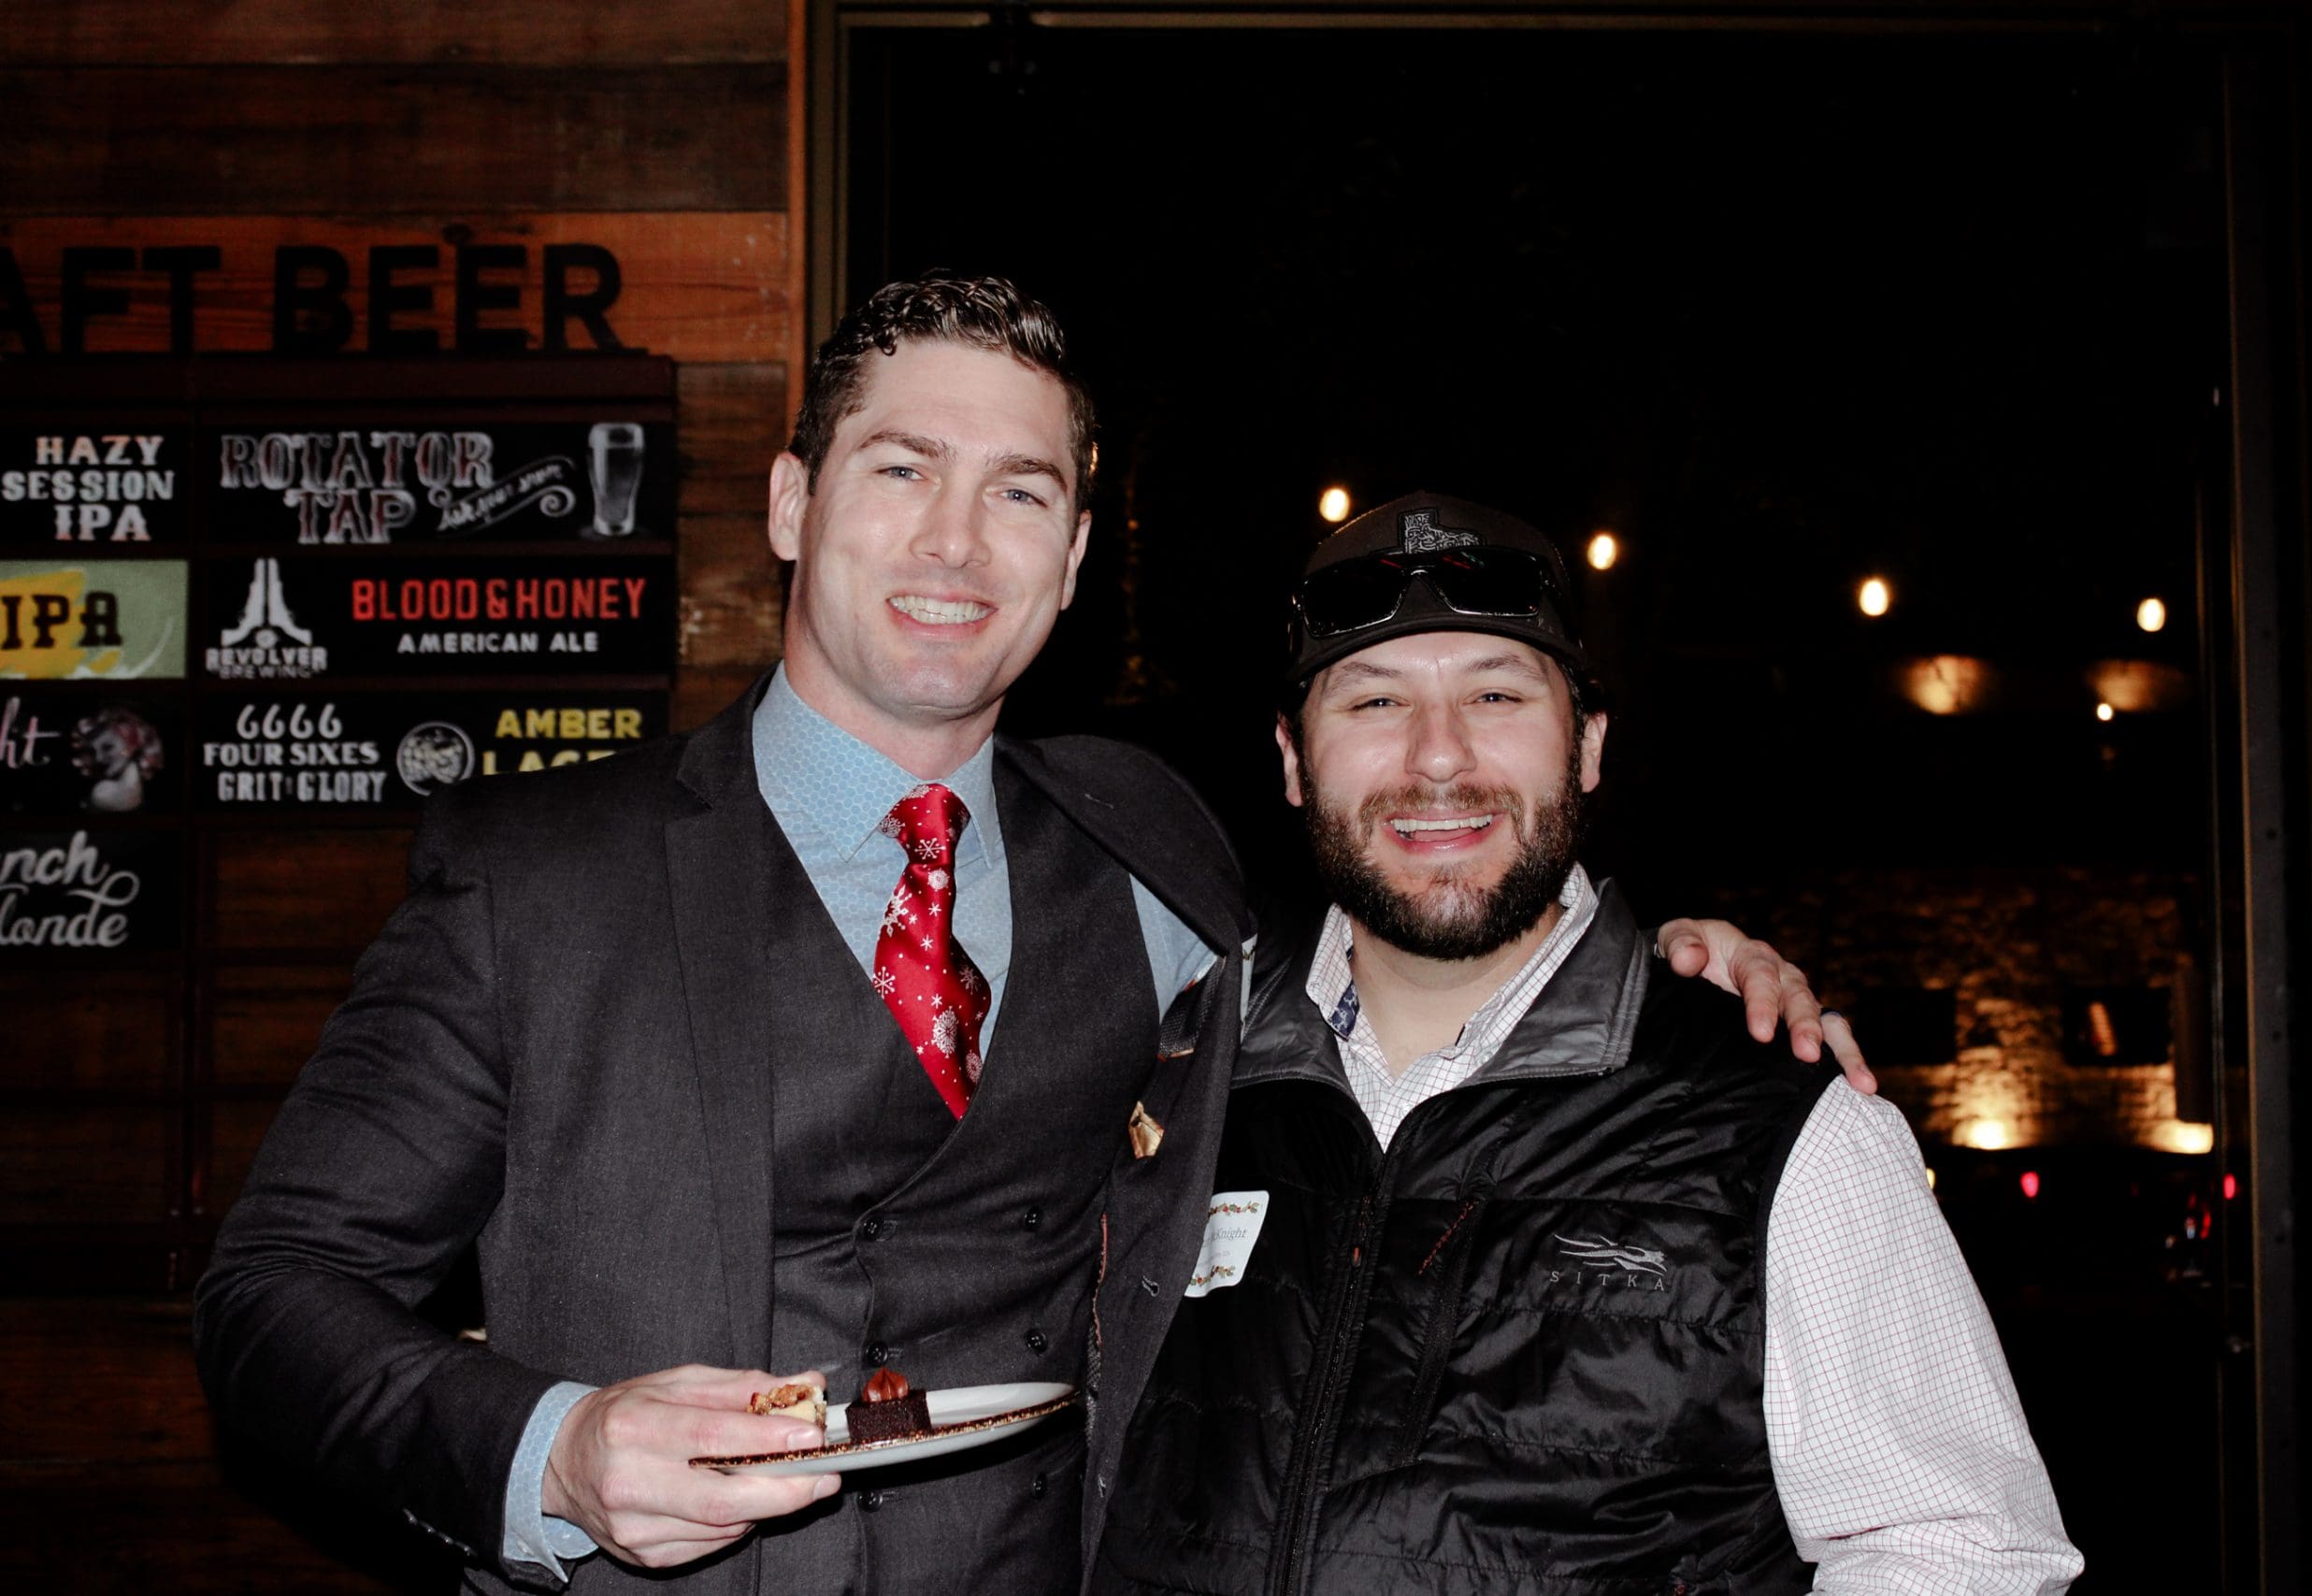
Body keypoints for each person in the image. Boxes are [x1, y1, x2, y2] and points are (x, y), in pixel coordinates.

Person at [194, 279, 1859, 1596]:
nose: (950, 540)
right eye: (901, 467)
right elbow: (275, 1297)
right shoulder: (532, 877)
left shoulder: (1158, 853)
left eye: (1018, 491)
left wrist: (1666, 972)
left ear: (1068, 558)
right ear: (792, 500)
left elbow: (1408, 978)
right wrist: (553, 1451)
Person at [1097, 492, 2083, 1594]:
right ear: (1291, 758)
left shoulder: (1779, 1123)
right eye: (1373, 699)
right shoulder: (1166, 1075)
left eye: (1496, 695)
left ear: (1589, 745)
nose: (1437, 759)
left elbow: (1958, 1547)